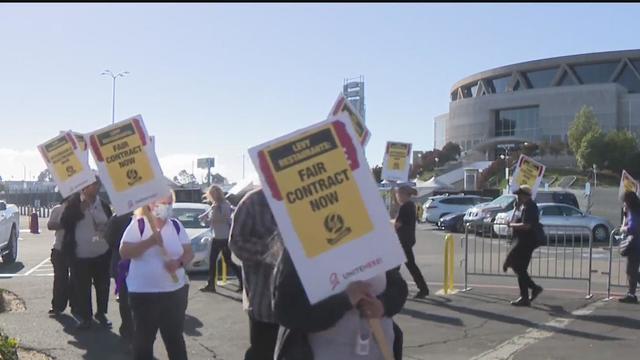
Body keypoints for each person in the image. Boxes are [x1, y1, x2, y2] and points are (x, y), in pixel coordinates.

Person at [273, 246, 408, 360]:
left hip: (379, 348)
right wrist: (345, 300)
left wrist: (382, 305)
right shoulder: (300, 244)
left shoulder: (370, 237)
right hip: (326, 351)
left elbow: (398, 286)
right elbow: (286, 310)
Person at [120, 191, 194, 360]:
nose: (166, 207)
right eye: (162, 202)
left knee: (174, 338)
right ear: (150, 204)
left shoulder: (176, 225)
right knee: (143, 341)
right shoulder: (138, 224)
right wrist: (150, 242)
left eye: (169, 203)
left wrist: (178, 263)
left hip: (175, 292)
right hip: (144, 294)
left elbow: (189, 252)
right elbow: (124, 252)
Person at [228, 188, 280, 360]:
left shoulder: (308, 195)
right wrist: (274, 250)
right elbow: (236, 242)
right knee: (263, 353)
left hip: (306, 308)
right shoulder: (254, 201)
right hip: (266, 305)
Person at [61, 179, 113, 329]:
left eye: (98, 184)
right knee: (82, 287)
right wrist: (79, 211)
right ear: (84, 185)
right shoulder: (74, 202)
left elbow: (110, 223)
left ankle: (101, 313)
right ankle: (86, 318)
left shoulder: (103, 204)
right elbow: (64, 222)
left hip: (102, 253)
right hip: (79, 255)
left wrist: (106, 229)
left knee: (102, 285)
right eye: (93, 184)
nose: (97, 187)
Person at [504, 185, 543, 307]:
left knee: (519, 268)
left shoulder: (530, 207)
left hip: (527, 242)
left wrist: (511, 225)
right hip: (525, 242)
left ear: (525, 196)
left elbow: (527, 225)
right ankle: (530, 291)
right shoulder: (525, 207)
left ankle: (527, 294)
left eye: (520, 195)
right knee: (519, 269)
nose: (518, 197)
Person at [199, 185, 243, 293]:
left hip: (223, 238)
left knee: (227, 261)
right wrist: (205, 219)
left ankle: (243, 282)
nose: (213, 196)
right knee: (215, 261)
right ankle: (211, 285)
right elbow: (212, 222)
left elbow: (223, 218)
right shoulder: (216, 205)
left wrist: (208, 218)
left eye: (214, 193)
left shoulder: (224, 205)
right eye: (212, 194)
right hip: (217, 236)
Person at [394, 185, 429, 298]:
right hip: (407, 239)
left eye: (398, 194)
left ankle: (421, 289)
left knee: (396, 267)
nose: (397, 196)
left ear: (403, 195)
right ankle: (422, 288)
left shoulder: (405, 207)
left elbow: (398, 224)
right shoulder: (411, 205)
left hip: (403, 240)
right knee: (407, 265)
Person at [104, 211, 134, 342]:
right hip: (134, 260)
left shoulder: (117, 217)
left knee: (124, 297)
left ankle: (127, 327)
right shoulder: (145, 216)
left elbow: (108, 238)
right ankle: (132, 326)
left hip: (120, 260)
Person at [47, 196, 75, 316]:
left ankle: (76, 305)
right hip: (59, 248)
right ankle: (58, 306)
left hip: (76, 249)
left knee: (77, 279)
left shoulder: (80, 210)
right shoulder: (57, 209)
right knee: (60, 278)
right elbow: (50, 225)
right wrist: (65, 223)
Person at [619, 191, 640, 303]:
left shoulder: (634, 212)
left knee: (631, 270)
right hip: (637, 245)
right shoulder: (635, 210)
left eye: (624, 202)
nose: (624, 204)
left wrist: (623, 229)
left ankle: (631, 295)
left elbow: (632, 228)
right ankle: (631, 294)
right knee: (633, 271)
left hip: (636, 245)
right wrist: (625, 214)